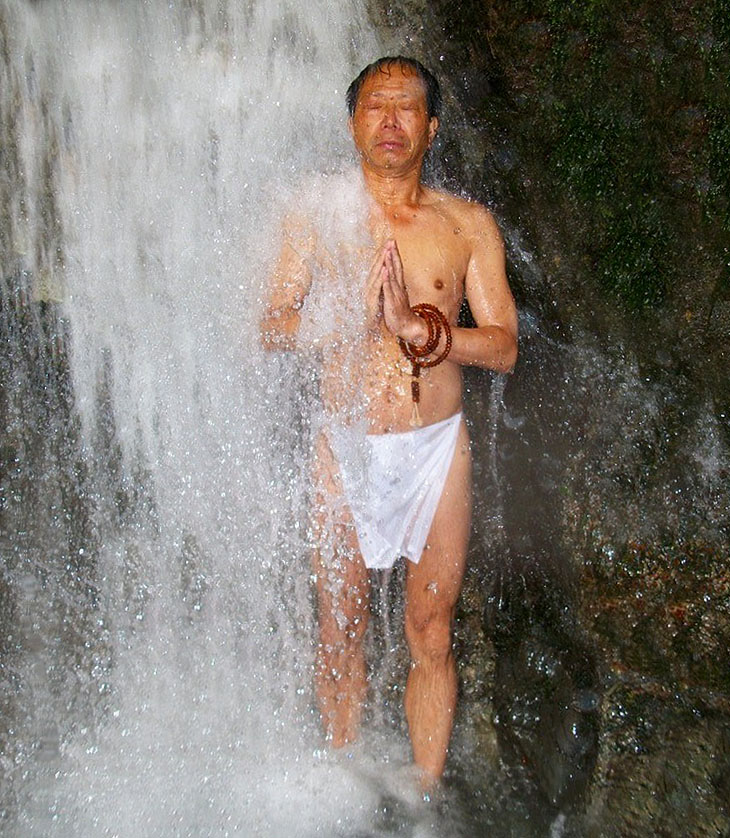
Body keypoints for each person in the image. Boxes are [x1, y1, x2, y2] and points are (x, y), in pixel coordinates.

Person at [261, 56, 518, 790]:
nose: (392, 122)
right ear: (353, 124)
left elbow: (502, 347)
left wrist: (421, 329)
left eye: (408, 109)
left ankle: (424, 801)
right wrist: (336, 319)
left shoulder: (466, 225)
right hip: (343, 446)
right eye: (377, 108)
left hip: (436, 450)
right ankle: (344, 784)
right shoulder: (314, 216)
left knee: (430, 630)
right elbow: (269, 324)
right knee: (339, 628)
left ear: (432, 127)